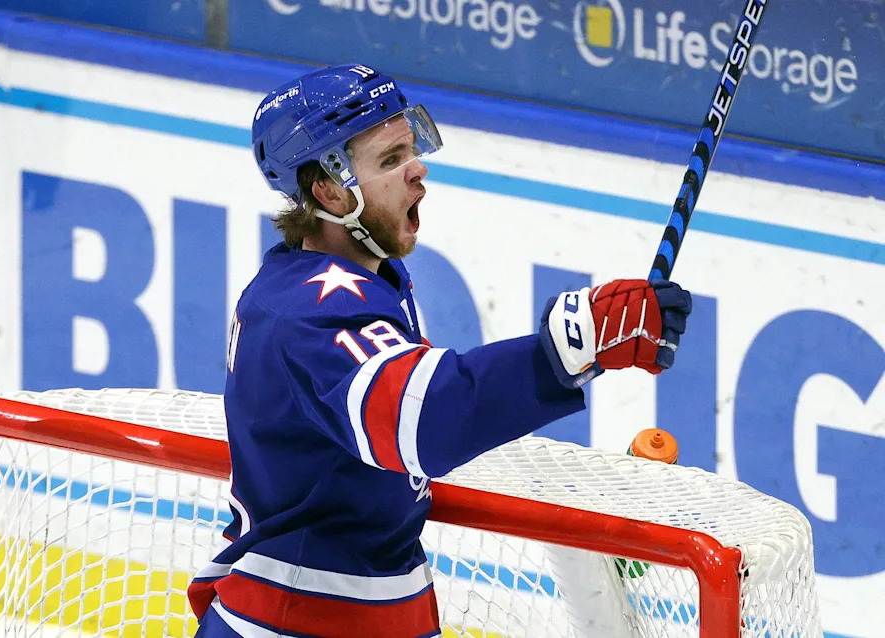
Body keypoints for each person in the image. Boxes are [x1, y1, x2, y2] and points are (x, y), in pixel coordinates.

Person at [188, 63, 692, 638]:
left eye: (411, 148)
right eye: (389, 160)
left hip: (366, 612)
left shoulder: (371, 279)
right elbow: (425, 421)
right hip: (294, 621)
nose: (418, 170)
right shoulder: (305, 312)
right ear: (327, 188)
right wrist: (570, 348)